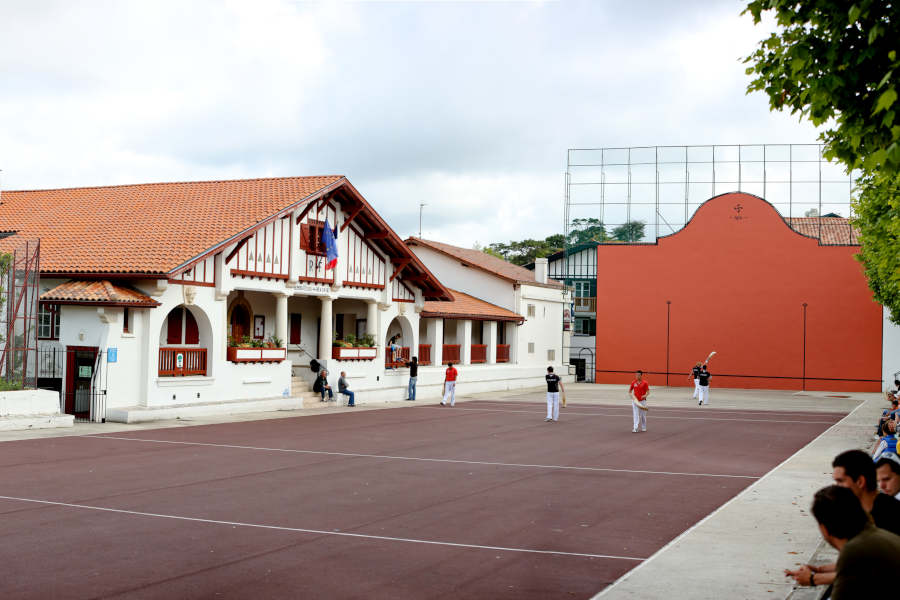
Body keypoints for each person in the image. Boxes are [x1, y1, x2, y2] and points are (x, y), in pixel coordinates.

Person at [786, 449, 900, 590]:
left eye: (840, 481)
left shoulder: (890, 515)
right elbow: (858, 562)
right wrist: (820, 569)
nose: (836, 487)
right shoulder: (860, 512)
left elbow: (871, 572)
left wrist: (813, 579)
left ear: (860, 482)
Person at [787, 485, 900, 599]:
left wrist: (812, 579)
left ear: (824, 528)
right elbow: (858, 573)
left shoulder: (854, 549)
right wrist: (819, 571)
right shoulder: (872, 535)